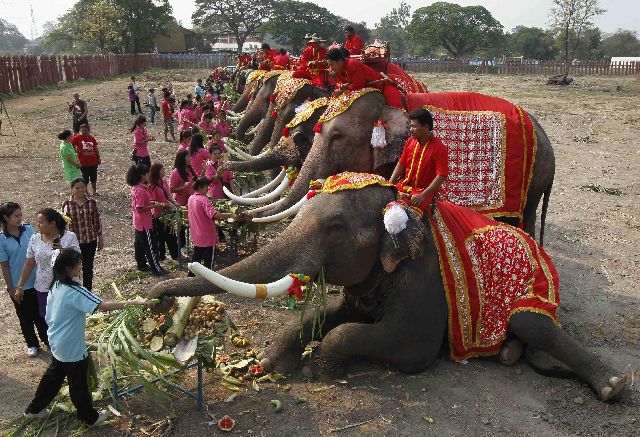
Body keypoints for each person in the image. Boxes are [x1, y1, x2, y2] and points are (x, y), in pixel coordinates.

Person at [23, 248, 152, 426]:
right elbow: (103, 305)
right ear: (68, 267)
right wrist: (135, 302)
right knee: (78, 384)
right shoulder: (74, 290)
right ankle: (89, 417)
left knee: (54, 377)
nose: (80, 266)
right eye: (78, 263)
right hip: (71, 345)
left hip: (56, 339)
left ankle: (34, 409)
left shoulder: (55, 285)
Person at [0, 202, 49, 357]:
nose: (19, 218)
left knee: (41, 314)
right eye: (16, 216)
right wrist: (11, 287)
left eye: (20, 215)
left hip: (37, 280)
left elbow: (41, 247)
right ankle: (32, 344)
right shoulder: (1, 239)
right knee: (24, 316)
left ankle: (47, 341)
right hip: (18, 284)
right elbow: (5, 266)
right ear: (6, 218)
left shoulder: (28, 229)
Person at [15, 208, 80, 319]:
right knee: (49, 319)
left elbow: (77, 260)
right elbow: (29, 263)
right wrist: (20, 286)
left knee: (67, 318)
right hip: (43, 288)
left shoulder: (69, 237)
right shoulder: (34, 239)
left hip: (67, 287)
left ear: (52, 223)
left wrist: (63, 251)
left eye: (41, 223)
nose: (38, 226)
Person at [389, 109, 449, 212]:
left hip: (423, 192)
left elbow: (442, 175)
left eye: (414, 126)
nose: (411, 129)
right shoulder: (410, 141)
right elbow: (401, 164)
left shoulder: (439, 148)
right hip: (403, 186)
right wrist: (390, 185)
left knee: (399, 213)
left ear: (426, 127)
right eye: (411, 126)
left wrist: (423, 195)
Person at [187, 178, 238, 275]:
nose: (208, 189)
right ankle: (207, 280)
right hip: (207, 236)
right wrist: (230, 215)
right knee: (208, 262)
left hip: (196, 235)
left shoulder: (191, 198)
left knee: (196, 258)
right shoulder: (203, 199)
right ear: (201, 187)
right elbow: (214, 215)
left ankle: (190, 277)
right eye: (206, 187)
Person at [326, 48, 403, 109]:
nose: (330, 68)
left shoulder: (352, 64)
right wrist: (342, 88)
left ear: (339, 61)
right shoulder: (339, 70)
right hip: (364, 90)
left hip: (380, 86)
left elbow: (358, 84)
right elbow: (343, 84)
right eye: (329, 65)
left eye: (332, 65)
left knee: (395, 109)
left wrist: (343, 90)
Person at [126, 164, 169, 276]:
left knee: (139, 245)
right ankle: (157, 269)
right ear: (142, 175)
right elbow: (140, 208)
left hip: (138, 222)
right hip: (144, 223)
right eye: (147, 173)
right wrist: (154, 206)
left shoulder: (137, 187)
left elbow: (142, 203)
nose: (149, 175)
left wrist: (153, 203)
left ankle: (141, 264)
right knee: (150, 247)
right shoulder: (140, 190)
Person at [62, 178, 103, 290]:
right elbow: (64, 224)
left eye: (83, 187)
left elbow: (96, 221)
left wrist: (100, 237)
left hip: (90, 240)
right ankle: (76, 290)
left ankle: (87, 291)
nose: (80, 190)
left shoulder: (91, 203)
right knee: (74, 267)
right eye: (77, 188)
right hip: (75, 243)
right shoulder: (67, 205)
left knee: (88, 267)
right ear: (72, 190)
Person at [148, 163, 179, 263]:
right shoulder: (152, 186)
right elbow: (153, 202)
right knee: (160, 237)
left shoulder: (164, 181)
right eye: (161, 170)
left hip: (167, 213)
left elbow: (168, 195)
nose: (163, 172)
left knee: (171, 235)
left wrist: (174, 202)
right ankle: (162, 256)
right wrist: (165, 205)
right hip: (158, 215)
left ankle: (175, 254)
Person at [70, 124, 101, 196]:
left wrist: (98, 158)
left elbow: (95, 149)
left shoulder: (91, 138)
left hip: (93, 162)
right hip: (83, 162)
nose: (84, 132)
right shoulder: (77, 138)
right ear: (79, 131)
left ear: (89, 131)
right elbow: (71, 146)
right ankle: (86, 192)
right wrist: (76, 154)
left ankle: (94, 191)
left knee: (94, 177)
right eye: (82, 130)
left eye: (85, 130)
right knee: (85, 178)